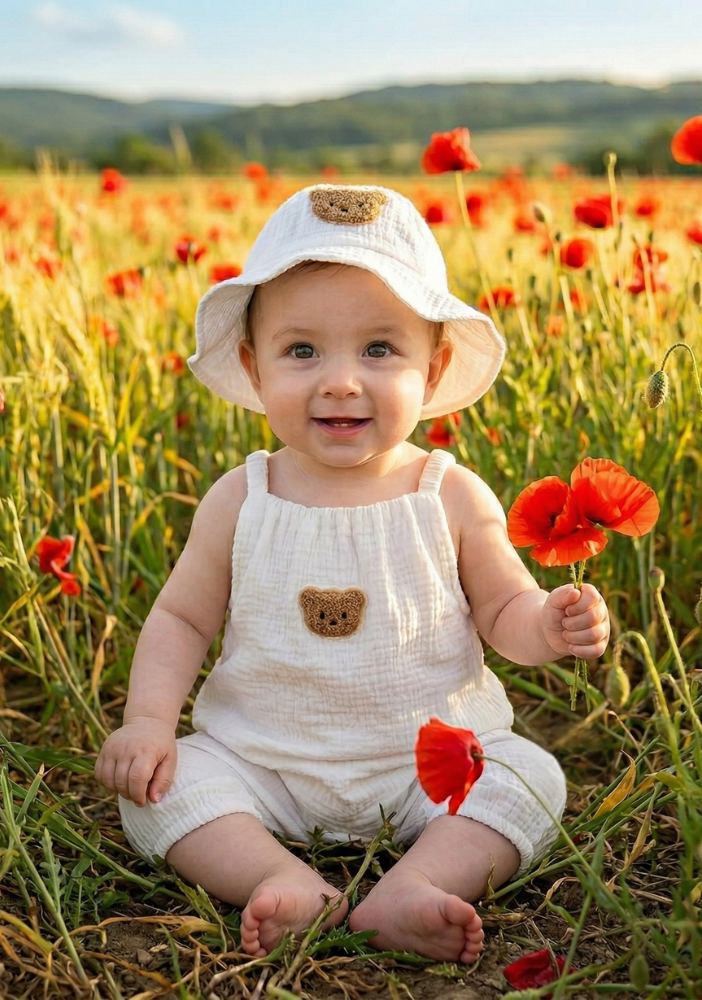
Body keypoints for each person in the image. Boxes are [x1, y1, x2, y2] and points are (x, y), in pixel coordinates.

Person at [95, 183, 610, 964]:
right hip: (259, 762)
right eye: (302, 351)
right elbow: (181, 621)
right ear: (253, 366)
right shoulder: (242, 497)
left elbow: (505, 608)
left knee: (530, 776)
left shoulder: (450, 493)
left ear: (432, 373)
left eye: (379, 350)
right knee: (160, 794)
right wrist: (149, 724)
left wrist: (547, 624)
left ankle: (416, 884)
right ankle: (283, 878)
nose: (341, 380)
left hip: (430, 768)